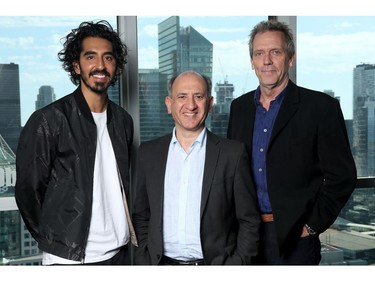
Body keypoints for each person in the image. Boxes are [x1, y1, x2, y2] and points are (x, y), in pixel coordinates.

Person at [227, 20, 357, 265]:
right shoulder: (239, 108)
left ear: (291, 58)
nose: (267, 60)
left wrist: (311, 225)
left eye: (275, 52)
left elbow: (343, 176)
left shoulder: (320, 108)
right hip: (246, 235)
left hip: (296, 239)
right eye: (259, 53)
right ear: (252, 61)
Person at [15, 20, 137, 265]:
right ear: (76, 66)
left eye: (108, 58)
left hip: (118, 252)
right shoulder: (49, 120)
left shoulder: (123, 120)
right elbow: (27, 191)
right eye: (90, 57)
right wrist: (56, 239)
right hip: (68, 258)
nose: (100, 65)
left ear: (116, 66)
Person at [132, 70, 260, 265]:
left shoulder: (232, 154)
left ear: (209, 104)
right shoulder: (149, 154)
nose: (190, 105)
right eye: (182, 96)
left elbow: (249, 220)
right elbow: (142, 215)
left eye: (198, 97)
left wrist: (236, 266)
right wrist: (144, 258)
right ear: (169, 104)